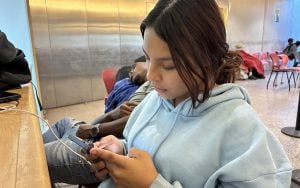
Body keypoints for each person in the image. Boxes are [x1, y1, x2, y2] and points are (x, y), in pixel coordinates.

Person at [87, 1, 292, 188]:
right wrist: (120, 151)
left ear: (206, 59)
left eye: (168, 66)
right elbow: (142, 150)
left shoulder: (239, 127)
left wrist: (151, 184)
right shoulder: (155, 100)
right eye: (148, 58)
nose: (150, 75)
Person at [43, 81, 153, 185]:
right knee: (63, 123)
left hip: (103, 146)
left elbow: (137, 121)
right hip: (103, 140)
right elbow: (89, 126)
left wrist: (95, 130)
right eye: (148, 60)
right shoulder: (145, 88)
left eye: (166, 65)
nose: (151, 74)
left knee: (37, 160)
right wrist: (110, 117)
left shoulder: (157, 94)